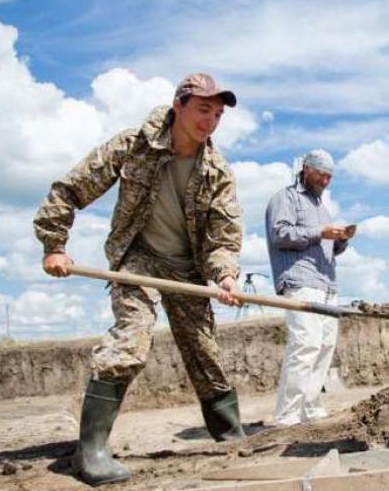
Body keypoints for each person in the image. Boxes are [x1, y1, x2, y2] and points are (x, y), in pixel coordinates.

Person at [34, 73, 247, 485]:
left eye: (218, 114)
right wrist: (54, 244)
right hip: (139, 259)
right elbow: (69, 190)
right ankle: (90, 451)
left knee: (205, 353)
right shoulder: (133, 145)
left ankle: (230, 437)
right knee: (130, 341)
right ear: (179, 105)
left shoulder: (217, 171)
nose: (211, 121)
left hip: (188, 268)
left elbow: (223, 237)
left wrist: (224, 276)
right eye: (203, 110)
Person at [265, 149, 355, 427]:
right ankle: (287, 414)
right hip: (300, 281)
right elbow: (279, 234)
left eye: (329, 177)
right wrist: (320, 233)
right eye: (321, 174)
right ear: (306, 169)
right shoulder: (285, 198)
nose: (325, 181)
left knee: (324, 346)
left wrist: (340, 239)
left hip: (326, 284)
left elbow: (326, 247)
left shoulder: (322, 208)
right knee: (305, 345)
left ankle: (310, 406)